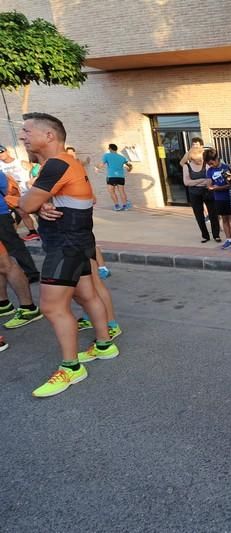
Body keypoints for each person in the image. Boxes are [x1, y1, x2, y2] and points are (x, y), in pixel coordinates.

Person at [18, 112, 119, 398]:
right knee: (87, 295)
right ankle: (103, 345)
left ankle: (71, 367)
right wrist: (41, 203)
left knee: (51, 307)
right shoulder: (68, 163)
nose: (23, 136)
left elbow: (25, 203)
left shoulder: (56, 164)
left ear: (49, 135)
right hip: (76, 241)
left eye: (27, 131)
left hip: (64, 245)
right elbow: (38, 203)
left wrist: (35, 203)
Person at [0, 170, 42, 329]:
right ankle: (3, 303)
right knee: (3, 262)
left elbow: (8, 190)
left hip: (0, 216)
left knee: (8, 261)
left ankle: (28, 307)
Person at [0, 170, 41, 283]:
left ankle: (31, 272)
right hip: (2, 214)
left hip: (1, 214)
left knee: (13, 244)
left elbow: (5, 188)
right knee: (13, 244)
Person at [0, 144, 39, 241]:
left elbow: (33, 173)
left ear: (6, 151)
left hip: (27, 190)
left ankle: (45, 229)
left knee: (37, 211)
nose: (1, 155)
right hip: (14, 193)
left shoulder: (20, 162)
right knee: (22, 213)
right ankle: (33, 232)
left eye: (2, 152)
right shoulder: (0, 166)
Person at [182, 147, 220, 243]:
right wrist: (202, 181)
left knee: (213, 214)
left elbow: (210, 180)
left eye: (201, 159)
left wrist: (194, 182)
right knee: (199, 215)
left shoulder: (206, 165)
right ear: (191, 158)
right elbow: (186, 182)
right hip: (194, 194)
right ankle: (205, 236)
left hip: (208, 192)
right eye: (197, 159)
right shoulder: (186, 166)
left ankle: (216, 235)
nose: (200, 161)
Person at [205, 149, 231, 250]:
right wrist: (210, 186)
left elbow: (230, 184)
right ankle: (228, 240)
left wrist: (217, 188)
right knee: (224, 219)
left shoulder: (227, 168)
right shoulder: (210, 170)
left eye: (211, 163)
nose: (210, 165)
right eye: (208, 164)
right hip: (218, 199)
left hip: (230, 197)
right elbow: (208, 183)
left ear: (216, 159)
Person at [95, 144, 132, 211]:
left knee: (111, 191)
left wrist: (96, 167)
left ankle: (117, 206)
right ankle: (125, 206)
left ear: (110, 149)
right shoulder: (122, 157)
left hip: (111, 176)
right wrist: (129, 169)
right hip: (121, 177)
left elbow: (101, 165)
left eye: (109, 148)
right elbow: (129, 166)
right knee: (122, 191)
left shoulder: (106, 155)